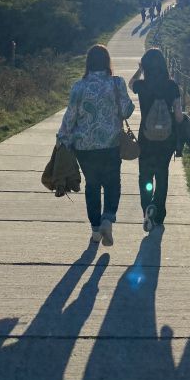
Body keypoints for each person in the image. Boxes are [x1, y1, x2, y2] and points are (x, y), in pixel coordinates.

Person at [57, 44, 134, 245]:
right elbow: (126, 110)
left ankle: (95, 229)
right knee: (112, 183)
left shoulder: (79, 87)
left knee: (92, 185)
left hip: (85, 147)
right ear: (107, 61)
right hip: (111, 144)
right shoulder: (117, 83)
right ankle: (108, 218)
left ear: (88, 63)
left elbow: (70, 117)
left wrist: (62, 140)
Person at [129, 48, 182, 232]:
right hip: (166, 140)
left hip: (146, 138)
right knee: (162, 175)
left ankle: (147, 209)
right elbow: (179, 117)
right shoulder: (172, 86)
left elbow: (131, 83)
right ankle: (158, 213)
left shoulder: (143, 85)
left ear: (146, 66)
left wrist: (140, 70)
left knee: (145, 176)